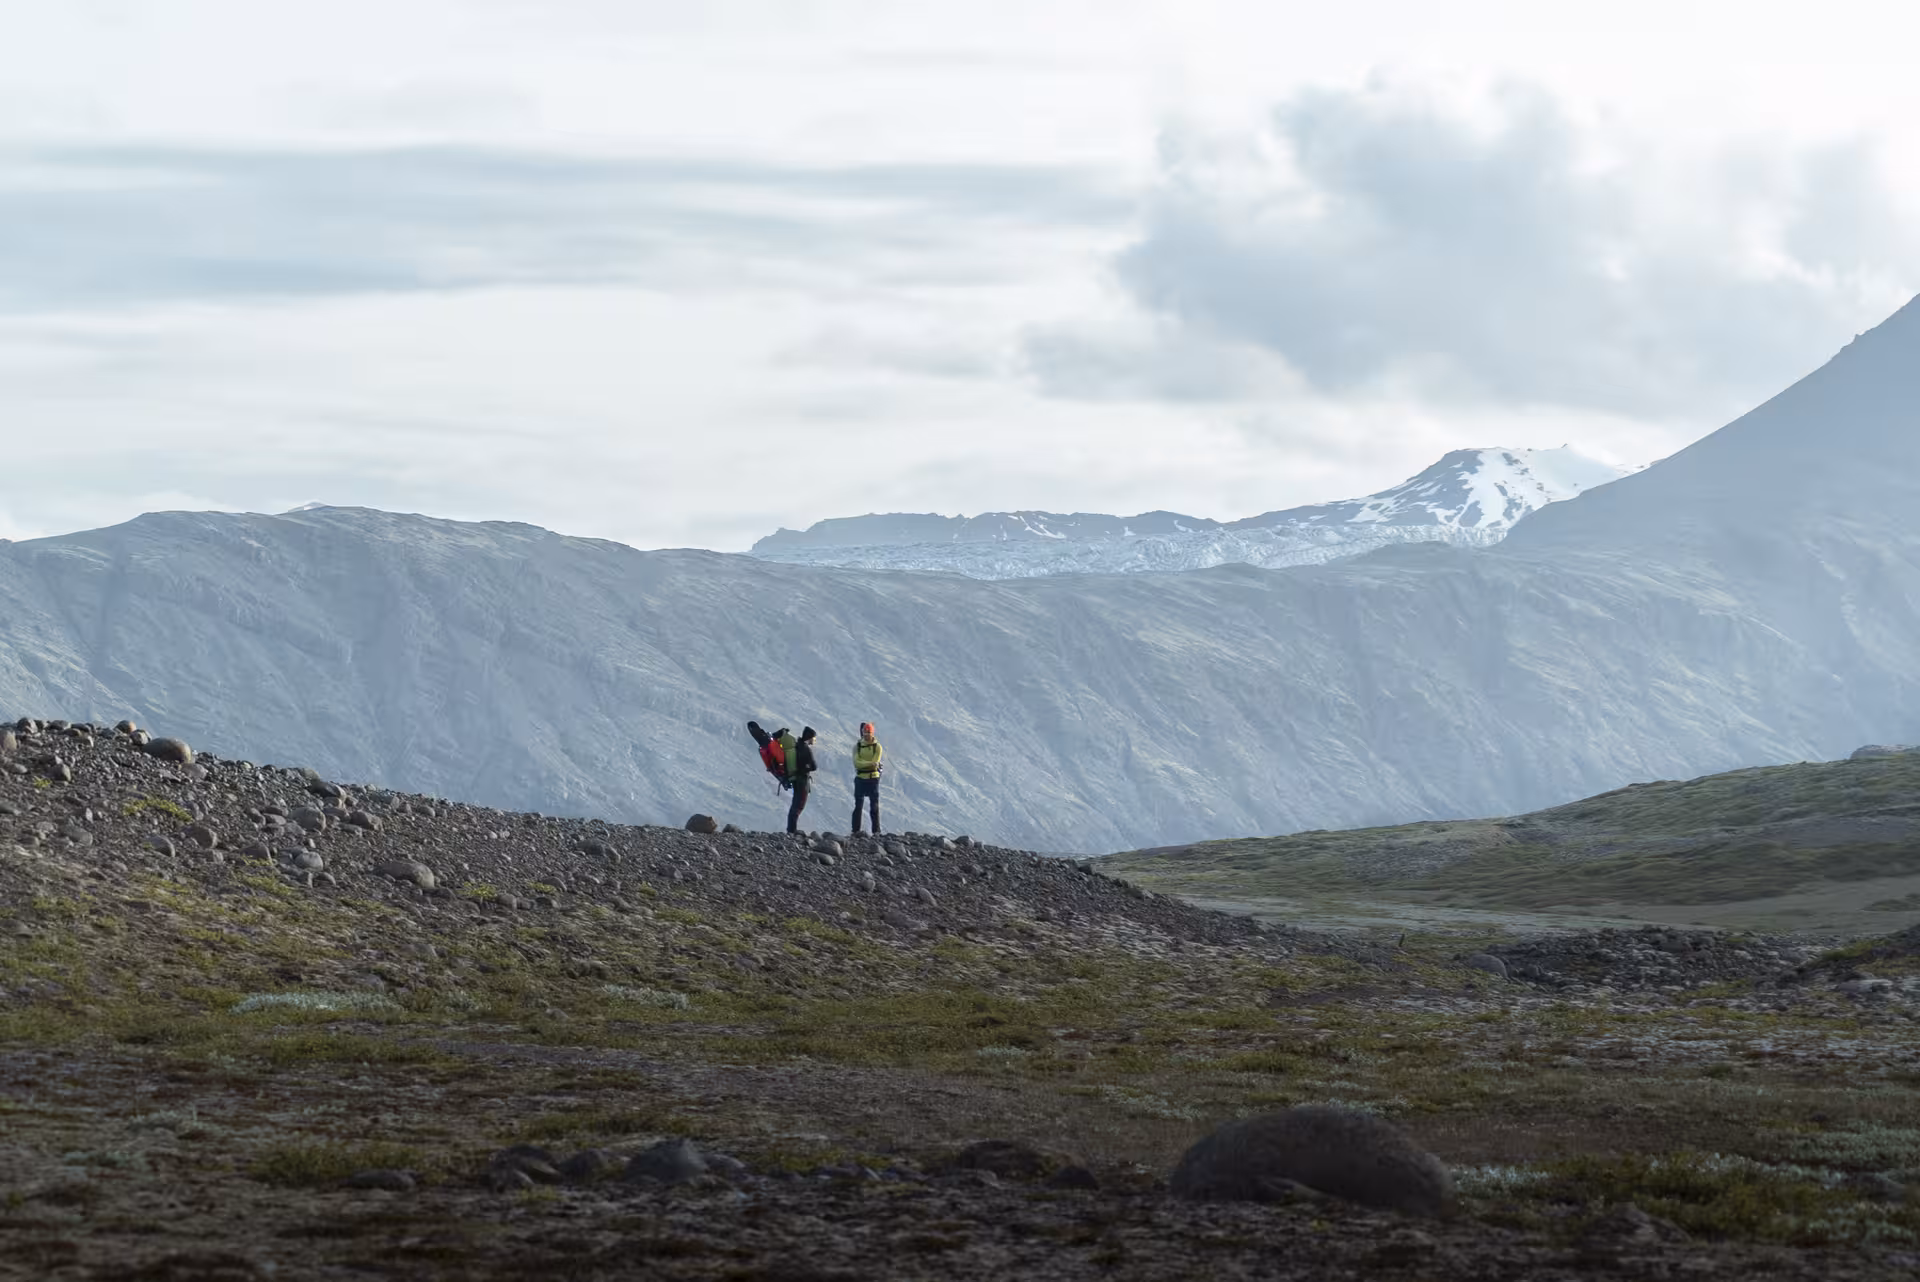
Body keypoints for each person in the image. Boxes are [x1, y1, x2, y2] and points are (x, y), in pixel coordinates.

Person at [852, 721, 883, 835]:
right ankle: (855, 831)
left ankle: (876, 831)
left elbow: (876, 761)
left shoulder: (877, 747)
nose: (866, 734)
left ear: (872, 733)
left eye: (868, 732)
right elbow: (856, 763)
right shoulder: (857, 746)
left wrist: (864, 763)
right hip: (861, 778)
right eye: (864, 732)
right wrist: (870, 764)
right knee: (858, 805)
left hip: (872, 778)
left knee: (874, 805)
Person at [786, 726, 819, 833]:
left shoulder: (796, 746)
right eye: (814, 738)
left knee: (795, 803)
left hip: (795, 779)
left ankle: (790, 829)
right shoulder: (806, 749)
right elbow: (814, 766)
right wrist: (806, 768)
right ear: (809, 737)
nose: (814, 740)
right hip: (803, 781)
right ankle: (792, 831)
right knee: (799, 805)